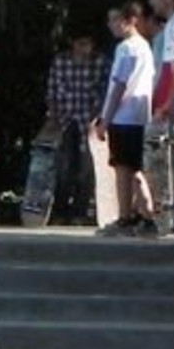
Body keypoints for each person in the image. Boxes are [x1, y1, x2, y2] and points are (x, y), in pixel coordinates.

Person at [94, 2, 157, 237]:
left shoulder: (127, 48)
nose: (111, 25)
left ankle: (124, 218)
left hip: (124, 116)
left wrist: (105, 120)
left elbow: (119, 85)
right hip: (140, 116)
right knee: (134, 168)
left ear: (129, 20)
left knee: (122, 169)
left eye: (115, 20)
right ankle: (147, 216)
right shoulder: (144, 47)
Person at [45, 29, 109, 223]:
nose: (85, 49)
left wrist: (98, 117)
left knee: (87, 169)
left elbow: (105, 92)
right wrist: (54, 117)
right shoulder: (61, 61)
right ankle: (60, 210)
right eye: (81, 44)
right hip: (65, 120)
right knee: (64, 168)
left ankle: (80, 211)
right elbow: (52, 92)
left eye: (88, 44)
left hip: (89, 121)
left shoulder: (99, 62)